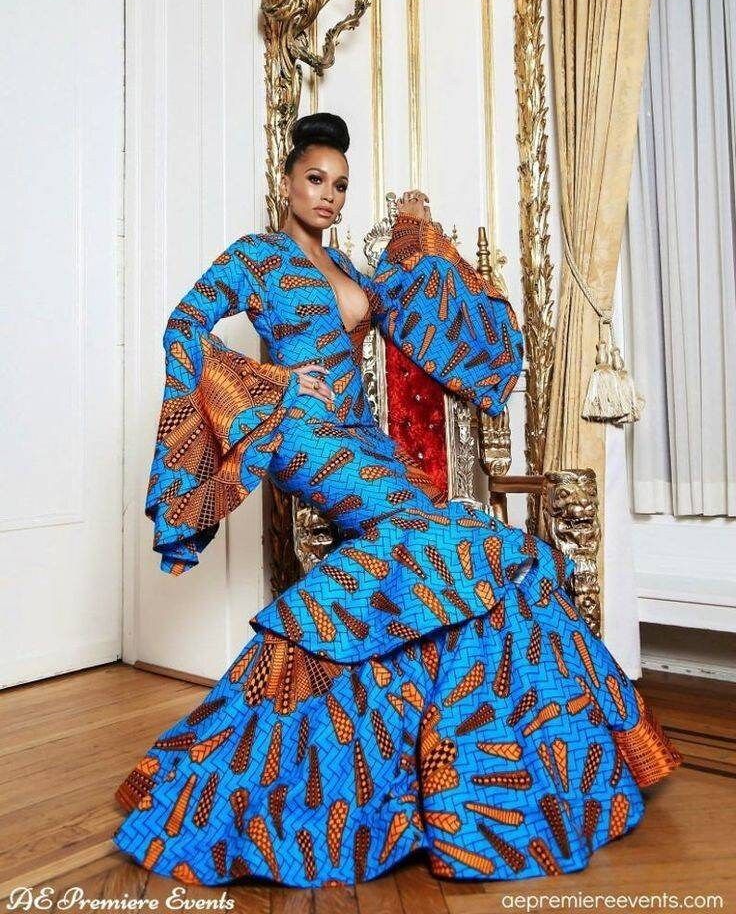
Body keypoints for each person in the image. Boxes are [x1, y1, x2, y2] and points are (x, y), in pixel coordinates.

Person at [111, 112, 682, 888]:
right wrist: (272, 387)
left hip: (369, 441)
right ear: (285, 182)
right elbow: (182, 327)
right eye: (315, 179)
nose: (329, 196)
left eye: (341, 185)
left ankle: (496, 778)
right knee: (478, 546)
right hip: (310, 440)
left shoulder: (347, 265)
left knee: (460, 566)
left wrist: (417, 230)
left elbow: (418, 307)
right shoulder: (255, 257)